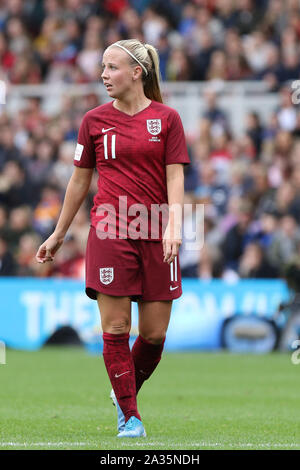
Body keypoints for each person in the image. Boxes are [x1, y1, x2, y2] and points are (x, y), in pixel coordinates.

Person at [36, 38, 189, 438]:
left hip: (156, 230)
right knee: (117, 328)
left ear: (137, 73)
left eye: (112, 67)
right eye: (102, 67)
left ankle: (123, 390)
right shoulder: (93, 121)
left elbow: (175, 175)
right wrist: (58, 232)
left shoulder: (168, 119)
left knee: (154, 335)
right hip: (110, 230)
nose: (103, 75)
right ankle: (130, 416)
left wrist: (175, 224)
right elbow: (79, 180)